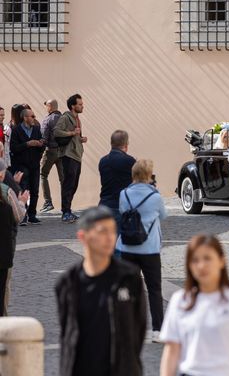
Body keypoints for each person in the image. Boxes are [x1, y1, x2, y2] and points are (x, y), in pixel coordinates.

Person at [55, 206, 147, 376]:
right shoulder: (68, 283)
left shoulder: (129, 277)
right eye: (102, 231)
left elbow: (139, 327)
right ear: (83, 236)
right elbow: (67, 332)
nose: (110, 237)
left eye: (113, 231)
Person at [159, 233, 229, 376]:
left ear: (221, 261)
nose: (201, 265)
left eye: (207, 258)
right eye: (195, 260)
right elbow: (171, 350)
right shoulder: (180, 301)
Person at [116, 159, 167, 342]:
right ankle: (157, 330)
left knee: (126, 288)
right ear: (149, 175)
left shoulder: (124, 194)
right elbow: (163, 215)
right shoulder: (155, 196)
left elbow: (123, 212)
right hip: (150, 248)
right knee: (154, 289)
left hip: (127, 246)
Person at [0, 159, 28, 316]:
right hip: (4, 248)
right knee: (3, 287)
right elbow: (18, 216)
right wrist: (22, 202)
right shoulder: (6, 192)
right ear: (2, 175)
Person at [54, 94, 87, 223]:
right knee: (68, 183)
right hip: (68, 154)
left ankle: (68, 210)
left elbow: (76, 137)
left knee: (74, 184)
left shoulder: (77, 118)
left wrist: (81, 139)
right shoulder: (65, 117)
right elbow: (56, 131)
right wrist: (72, 133)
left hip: (77, 154)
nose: (82, 106)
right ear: (73, 106)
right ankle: (65, 212)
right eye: (80, 104)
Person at [10, 108, 45, 226]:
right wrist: (27, 144)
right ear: (25, 118)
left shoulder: (36, 129)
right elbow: (13, 148)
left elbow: (42, 146)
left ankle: (32, 215)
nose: (34, 118)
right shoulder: (16, 130)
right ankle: (22, 215)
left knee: (35, 189)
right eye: (32, 116)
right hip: (21, 164)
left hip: (34, 164)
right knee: (23, 189)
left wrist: (40, 144)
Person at [98, 130, 135, 229]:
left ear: (111, 144)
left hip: (104, 205)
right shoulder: (130, 161)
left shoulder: (103, 161)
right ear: (126, 145)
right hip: (121, 207)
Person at [40, 99, 64, 213]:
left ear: (50, 106)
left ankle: (48, 202)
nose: (46, 108)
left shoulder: (48, 119)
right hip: (63, 151)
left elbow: (44, 138)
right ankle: (66, 204)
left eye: (46, 106)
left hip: (50, 151)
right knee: (63, 179)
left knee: (43, 174)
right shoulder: (65, 118)